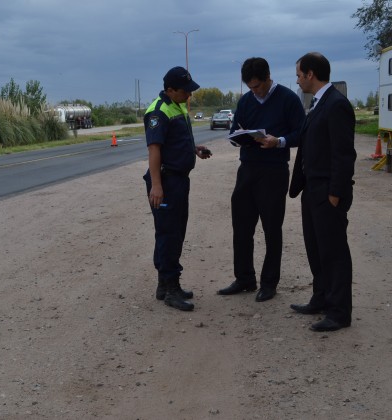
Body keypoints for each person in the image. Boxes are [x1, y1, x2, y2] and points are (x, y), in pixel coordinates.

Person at [217, 57, 306, 302]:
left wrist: (279, 141)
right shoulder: (245, 101)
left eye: (257, 86)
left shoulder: (288, 99)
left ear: (268, 78)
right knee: (242, 226)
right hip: (247, 169)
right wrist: (238, 137)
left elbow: (302, 132)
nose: (254, 90)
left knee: (271, 228)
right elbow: (236, 128)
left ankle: (269, 283)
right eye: (250, 87)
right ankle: (244, 278)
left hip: (274, 170)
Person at [289, 52, 356, 332]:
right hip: (312, 188)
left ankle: (338, 312)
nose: (297, 79)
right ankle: (320, 298)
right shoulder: (318, 104)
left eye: (298, 74)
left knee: (334, 253)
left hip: (328, 191)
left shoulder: (336, 105)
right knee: (316, 249)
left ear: (310, 74)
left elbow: (343, 154)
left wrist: (335, 193)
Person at [143, 66, 212, 311]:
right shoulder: (157, 112)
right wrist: (157, 186)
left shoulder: (177, 106)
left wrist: (194, 149)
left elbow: (175, 140)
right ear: (170, 90)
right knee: (168, 234)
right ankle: (170, 288)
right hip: (166, 182)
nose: (189, 95)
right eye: (185, 91)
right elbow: (155, 150)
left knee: (176, 232)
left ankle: (166, 284)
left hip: (179, 180)